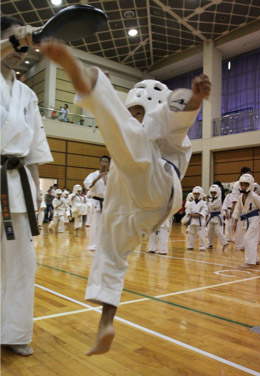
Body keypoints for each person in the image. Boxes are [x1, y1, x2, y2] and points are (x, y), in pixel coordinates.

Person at [40, 40, 211, 355]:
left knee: (132, 138)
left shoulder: (161, 125)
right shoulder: (122, 160)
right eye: (131, 110)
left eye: (137, 111)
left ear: (151, 107)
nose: (133, 115)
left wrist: (195, 98)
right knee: (110, 252)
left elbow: (177, 113)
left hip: (161, 180)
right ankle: (106, 323)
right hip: (141, 210)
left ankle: (86, 78)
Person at [1, 17, 53, 356]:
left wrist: (36, 191)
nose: (22, 50)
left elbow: (34, 150)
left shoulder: (27, 94)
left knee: (21, 262)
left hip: (15, 183)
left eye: (25, 45)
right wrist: (18, 39)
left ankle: (15, 331)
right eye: (14, 42)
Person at [232, 174, 260, 267]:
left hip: (255, 220)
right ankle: (256, 259)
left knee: (248, 239)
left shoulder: (254, 196)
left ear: (250, 185)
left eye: (246, 185)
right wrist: (235, 222)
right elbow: (237, 210)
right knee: (249, 240)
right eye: (242, 184)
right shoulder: (240, 197)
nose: (243, 187)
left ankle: (249, 262)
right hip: (246, 221)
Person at [84, 155, 110, 250]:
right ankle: (94, 245)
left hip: (107, 202)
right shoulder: (93, 175)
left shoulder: (111, 176)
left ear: (108, 164)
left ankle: (104, 245)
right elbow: (88, 185)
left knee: (107, 225)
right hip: (96, 201)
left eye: (106, 162)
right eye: (102, 161)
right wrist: (98, 177)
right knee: (96, 224)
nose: (104, 163)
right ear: (99, 163)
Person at [231, 167, 252, 250]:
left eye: (250, 173)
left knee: (246, 226)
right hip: (239, 206)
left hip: (248, 207)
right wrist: (233, 208)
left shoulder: (250, 183)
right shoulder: (237, 184)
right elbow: (234, 197)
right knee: (239, 226)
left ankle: (245, 244)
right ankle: (239, 245)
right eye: (248, 173)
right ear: (242, 173)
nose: (249, 175)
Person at [206, 184, 228, 250]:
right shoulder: (210, 200)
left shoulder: (219, 200)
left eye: (214, 192)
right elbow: (208, 208)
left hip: (217, 217)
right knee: (210, 231)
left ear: (217, 193)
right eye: (211, 192)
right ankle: (210, 244)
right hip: (211, 217)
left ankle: (225, 243)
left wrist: (208, 201)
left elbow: (212, 206)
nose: (213, 194)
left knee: (218, 231)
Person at [186, 186, 208, 250]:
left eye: (197, 193)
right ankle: (190, 245)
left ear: (200, 194)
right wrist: (191, 214)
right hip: (192, 219)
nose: (196, 195)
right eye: (195, 193)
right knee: (191, 234)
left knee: (201, 234)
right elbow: (187, 210)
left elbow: (205, 210)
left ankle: (202, 246)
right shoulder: (191, 203)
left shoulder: (203, 203)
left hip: (200, 220)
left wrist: (198, 215)